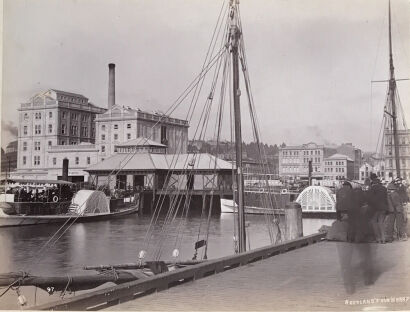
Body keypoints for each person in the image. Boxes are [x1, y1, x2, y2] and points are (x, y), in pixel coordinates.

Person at [366, 173, 388, 243]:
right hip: (384, 208)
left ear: (372, 182)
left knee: (374, 222)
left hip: (375, 208)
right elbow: (386, 198)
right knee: (381, 223)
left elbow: (369, 199)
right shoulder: (384, 188)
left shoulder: (372, 188)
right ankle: (383, 239)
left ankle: (378, 239)